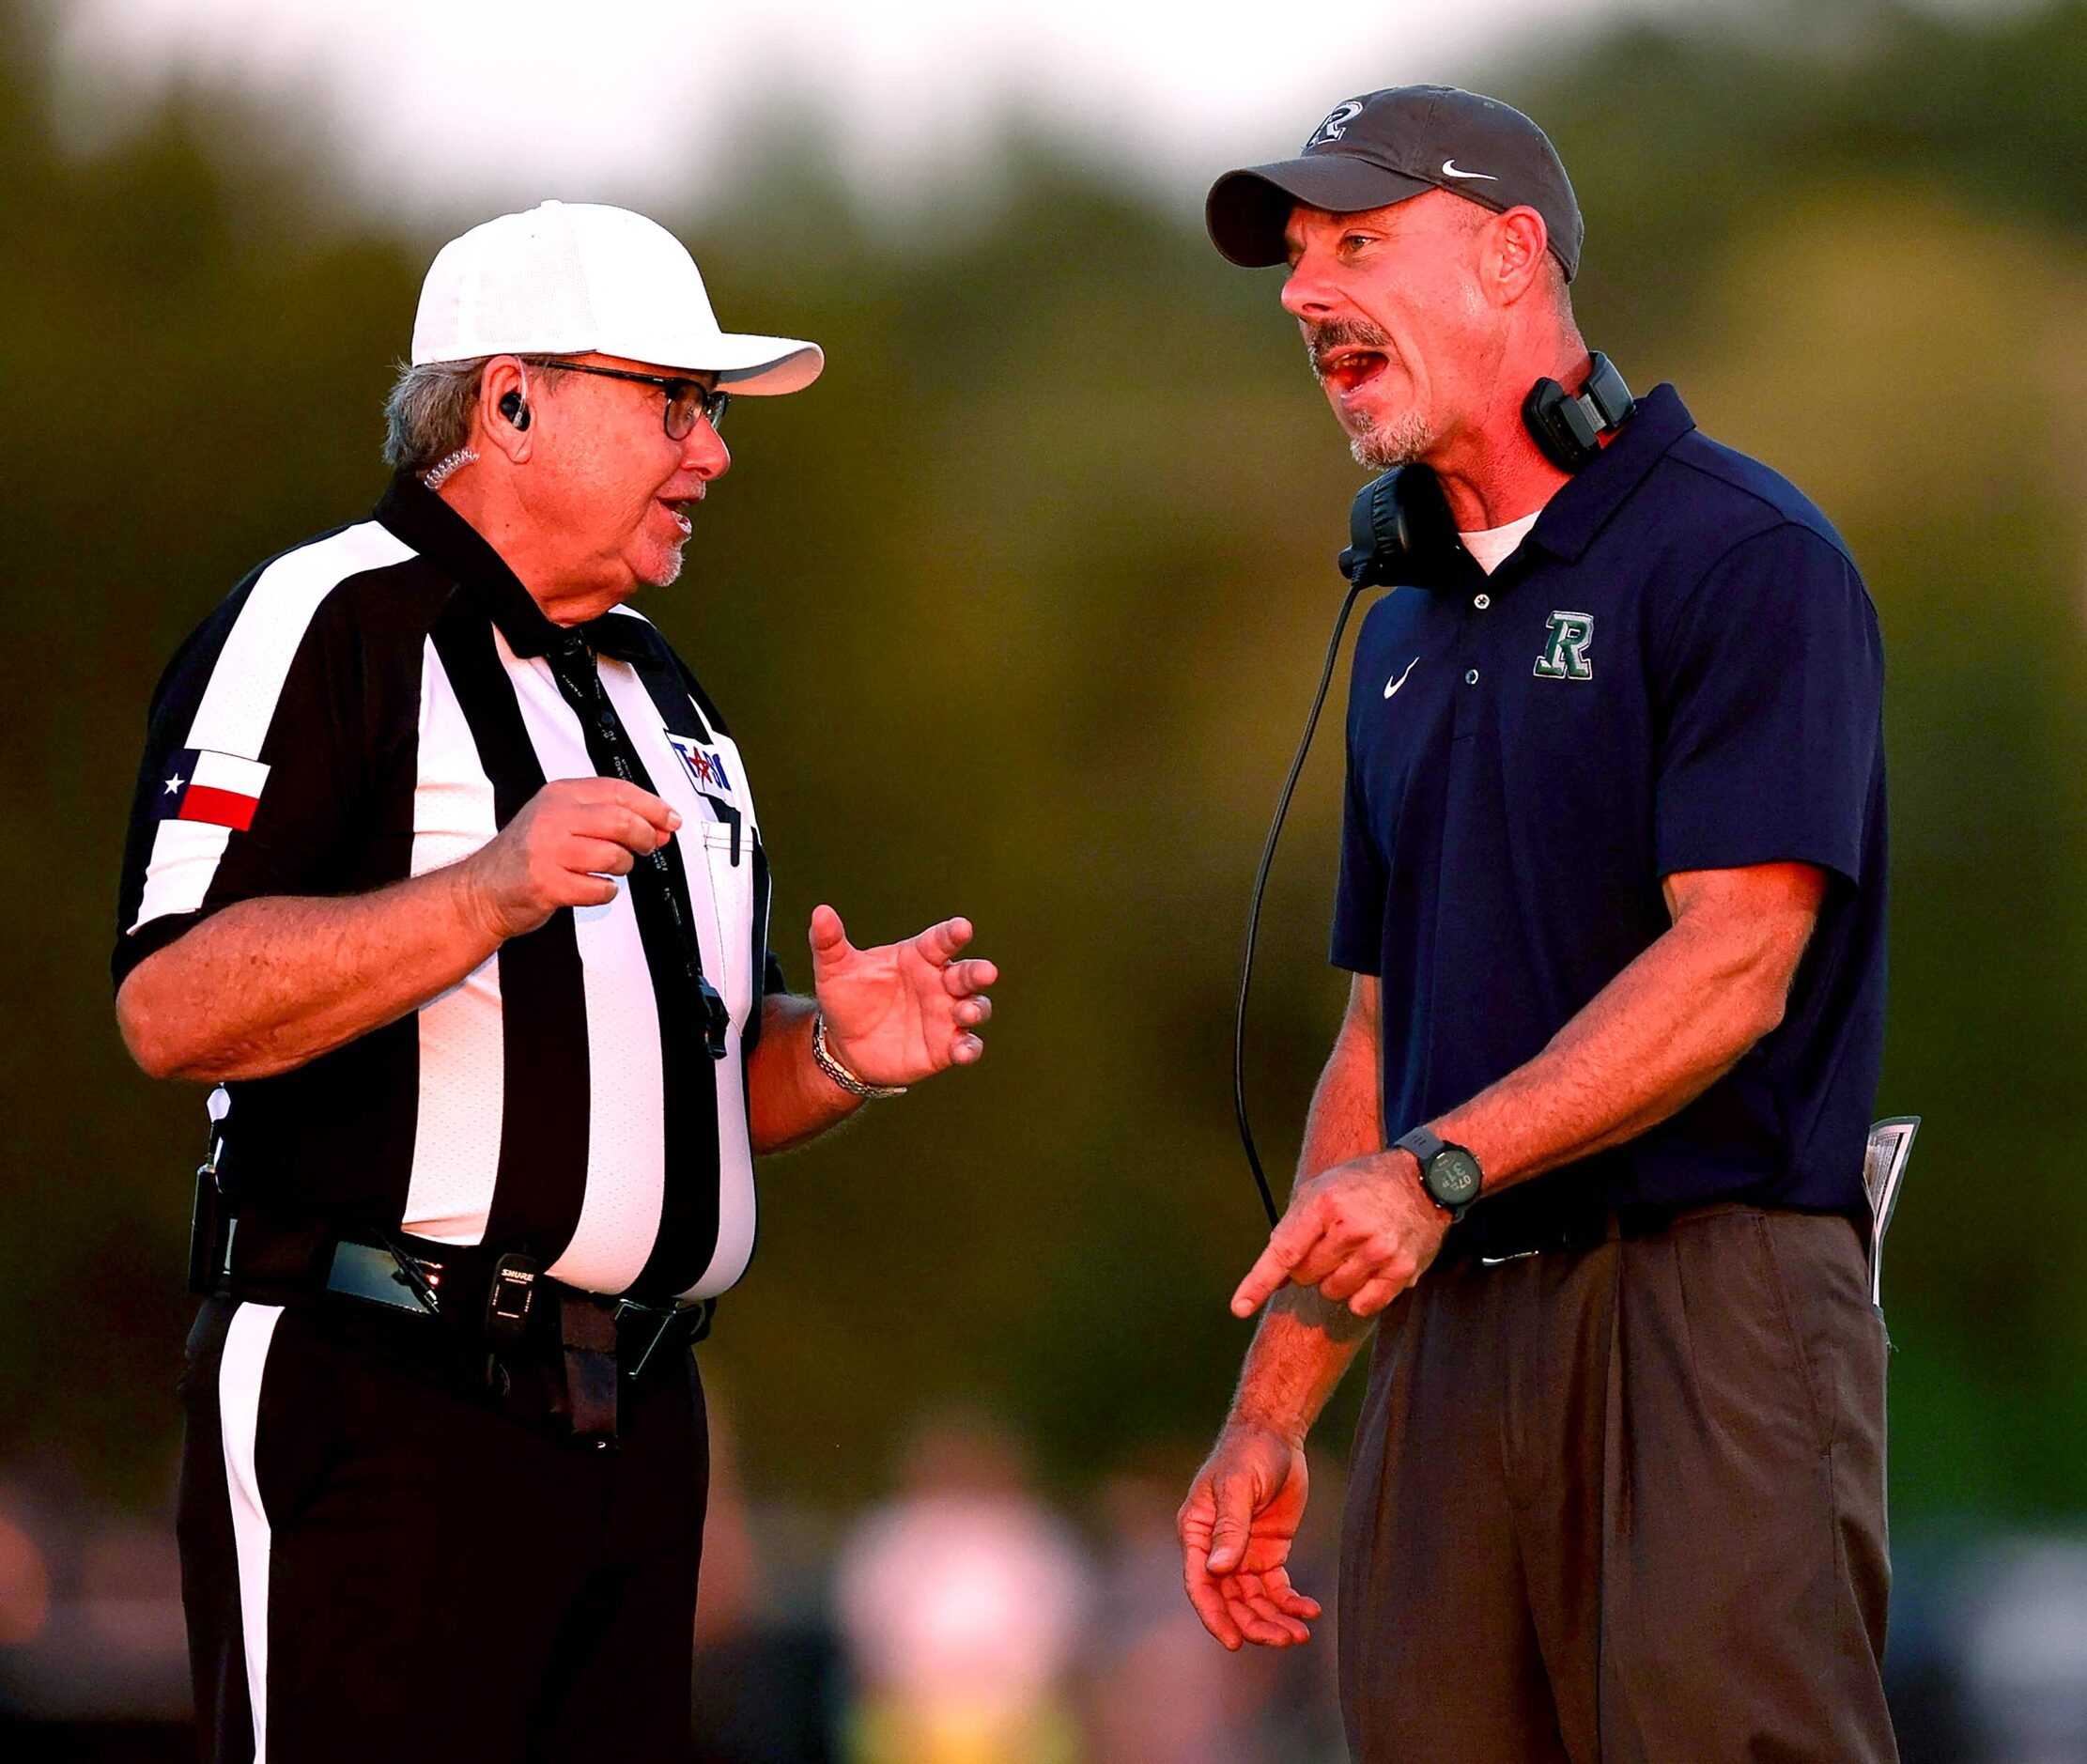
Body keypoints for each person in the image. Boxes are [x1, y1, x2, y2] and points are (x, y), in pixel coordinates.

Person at [112, 199, 997, 1763]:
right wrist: (486, 887)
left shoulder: (662, 688)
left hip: (633, 1421)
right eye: (676, 401)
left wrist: (840, 1056)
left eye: (709, 410)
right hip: (383, 1391)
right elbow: (173, 1002)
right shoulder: (329, 620)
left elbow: (668, 1095)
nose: (712, 453)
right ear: (511, 399)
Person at [1176, 88, 1895, 1761]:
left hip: (1704, 1303)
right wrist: (1271, 1408)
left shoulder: (1744, 558)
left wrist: (1437, 1170)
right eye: (1294, 260)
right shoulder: (1401, 624)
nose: (1303, 294)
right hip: (1446, 1325)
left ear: (1511, 258)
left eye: (1355, 243)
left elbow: (1734, 961)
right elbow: (1378, 1034)